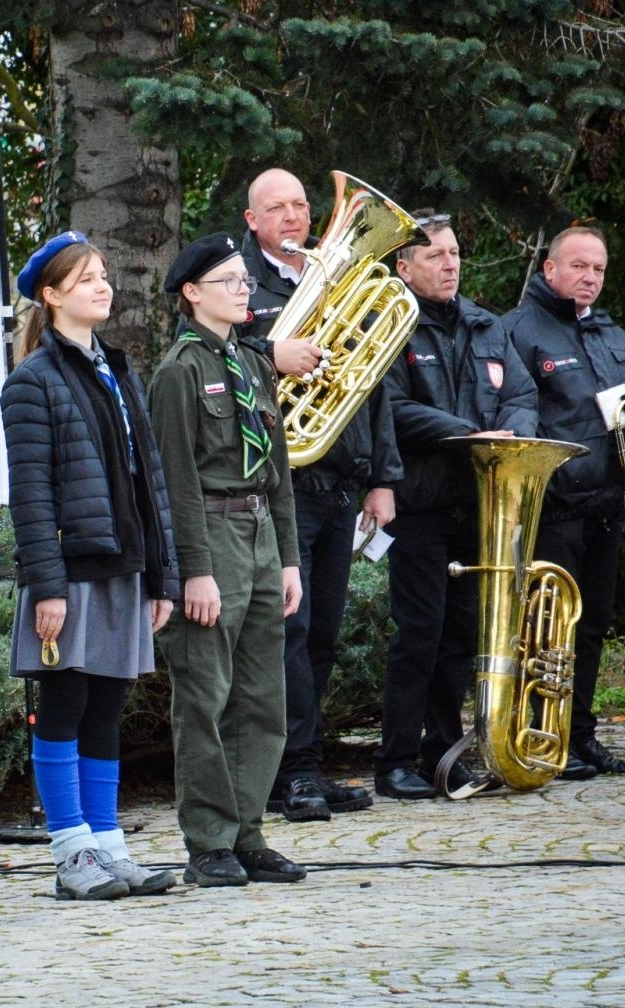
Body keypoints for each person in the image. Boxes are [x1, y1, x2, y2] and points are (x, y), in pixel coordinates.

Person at [0, 231, 180, 901]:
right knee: (65, 704)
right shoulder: (31, 383)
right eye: (84, 280)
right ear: (50, 296)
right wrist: (46, 585)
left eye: (103, 275)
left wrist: (162, 574)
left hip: (122, 567)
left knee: (106, 707)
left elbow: (149, 482)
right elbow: (32, 493)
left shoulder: (121, 369)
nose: (101, 287)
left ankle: (109, 845)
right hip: (68, 573)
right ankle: (71, 852)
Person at [148, 232, 306, 887]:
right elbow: (175, 481)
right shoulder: (178, 372)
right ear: (191, 293)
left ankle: (248, 832)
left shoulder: (250, 363)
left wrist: (290, 559)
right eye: (230, 281)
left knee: (262, 698)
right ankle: (209, 840)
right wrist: (194, 571)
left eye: (245, 280)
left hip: (261, 537)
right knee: (206, 698)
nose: (245, 290)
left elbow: (278, 470)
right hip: (210, 538)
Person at [239, 168, 397, 820]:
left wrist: (383, 478)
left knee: (324, 633)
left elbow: (373, 381)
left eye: (301, 204)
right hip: (284, 483)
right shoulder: (238, 284)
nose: (293, 215)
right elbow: (208, 357)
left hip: (340, 484)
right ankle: (295, 769)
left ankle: (302, 764)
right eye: (276, 208)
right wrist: (269, 353)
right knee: (290, 631)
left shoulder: (335, 278)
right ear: (252, 220)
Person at [375, 212, 543, 798]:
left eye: (453, 255)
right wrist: (469, 433)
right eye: (434, 256)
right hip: (419, 505)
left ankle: (442, 755)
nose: (449, 265)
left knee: (461, 635)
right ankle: (394, 761)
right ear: (404, 267)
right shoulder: (388, 327)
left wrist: (509, 435)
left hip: (480, 505)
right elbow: (391, 409)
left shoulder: (486, 325)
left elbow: (522, 393)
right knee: (418, 632)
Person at [502, 225, 625, 776]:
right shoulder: (518, 330)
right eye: (578, 267)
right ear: (550, 269)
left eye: (597, 269)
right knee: (546, 627)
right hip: (552, 501)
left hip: (606, 499)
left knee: (591, 623)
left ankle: (580, 735)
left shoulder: (608, 332)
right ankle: (540, 734)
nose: (589, 278)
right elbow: (512, 408)